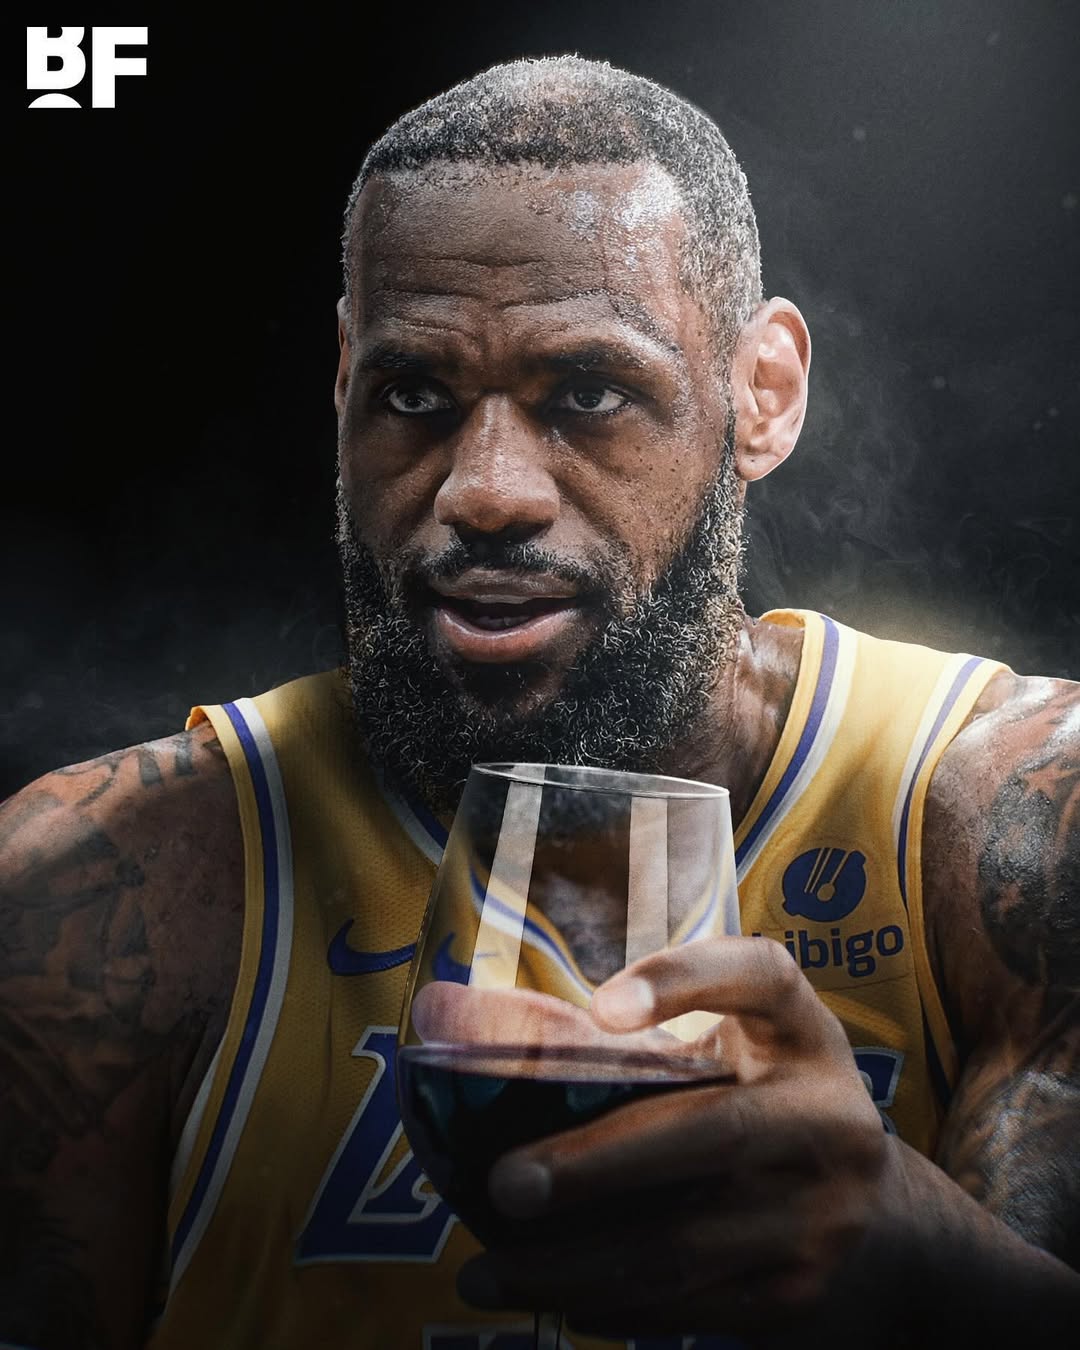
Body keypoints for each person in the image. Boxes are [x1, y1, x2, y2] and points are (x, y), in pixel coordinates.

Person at [1, 55, 1076, 1350]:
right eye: (414, 395)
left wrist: (926, 1261)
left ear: (764, 395)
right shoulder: (109, 887)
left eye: (588, 393)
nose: (487, 489)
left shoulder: (1014, 829)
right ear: (343, 386)